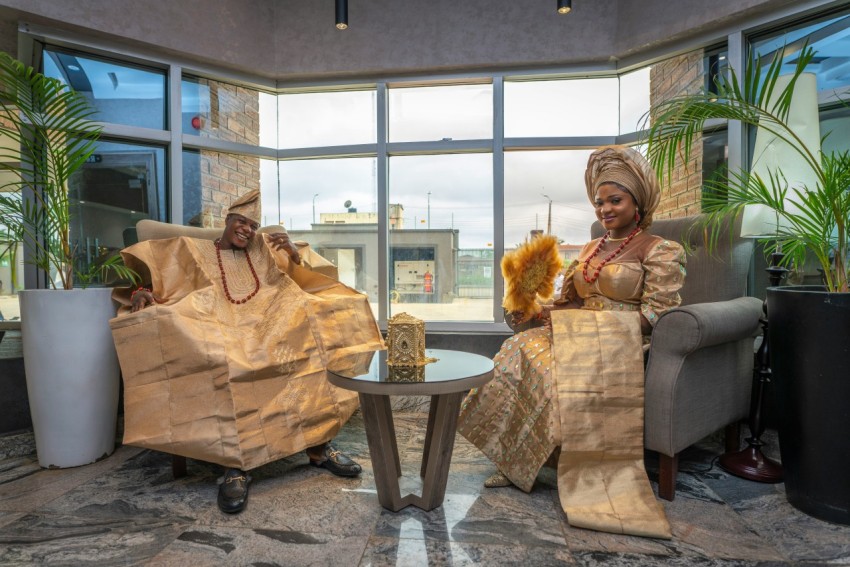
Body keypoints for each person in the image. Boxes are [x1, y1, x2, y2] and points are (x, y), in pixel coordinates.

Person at [458, 145, 686, 539]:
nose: (604, 210)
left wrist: (599, 327)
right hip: (575, 333)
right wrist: (535, 308)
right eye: (599, 202)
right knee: (518, 350)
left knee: (546, 365)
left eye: (615, 200)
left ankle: (558, 462)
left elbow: (658, 315)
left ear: (638, 203)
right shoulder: (589, 249)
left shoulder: (660, 249)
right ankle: (517, 459)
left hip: (620, 343)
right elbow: (570, 303)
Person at [111, 190, 384, 515]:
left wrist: (296, 255)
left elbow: (309, 276)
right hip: (218, 327)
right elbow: (152, 275)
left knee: (314, 342)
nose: (247, 230)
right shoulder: (192, 249)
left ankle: (319, 447)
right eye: (241, 222)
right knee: (230, 363)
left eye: (253, 225)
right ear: (227, 220)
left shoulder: (264, 249)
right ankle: (235, 466)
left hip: (276, 325)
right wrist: (142, 292)